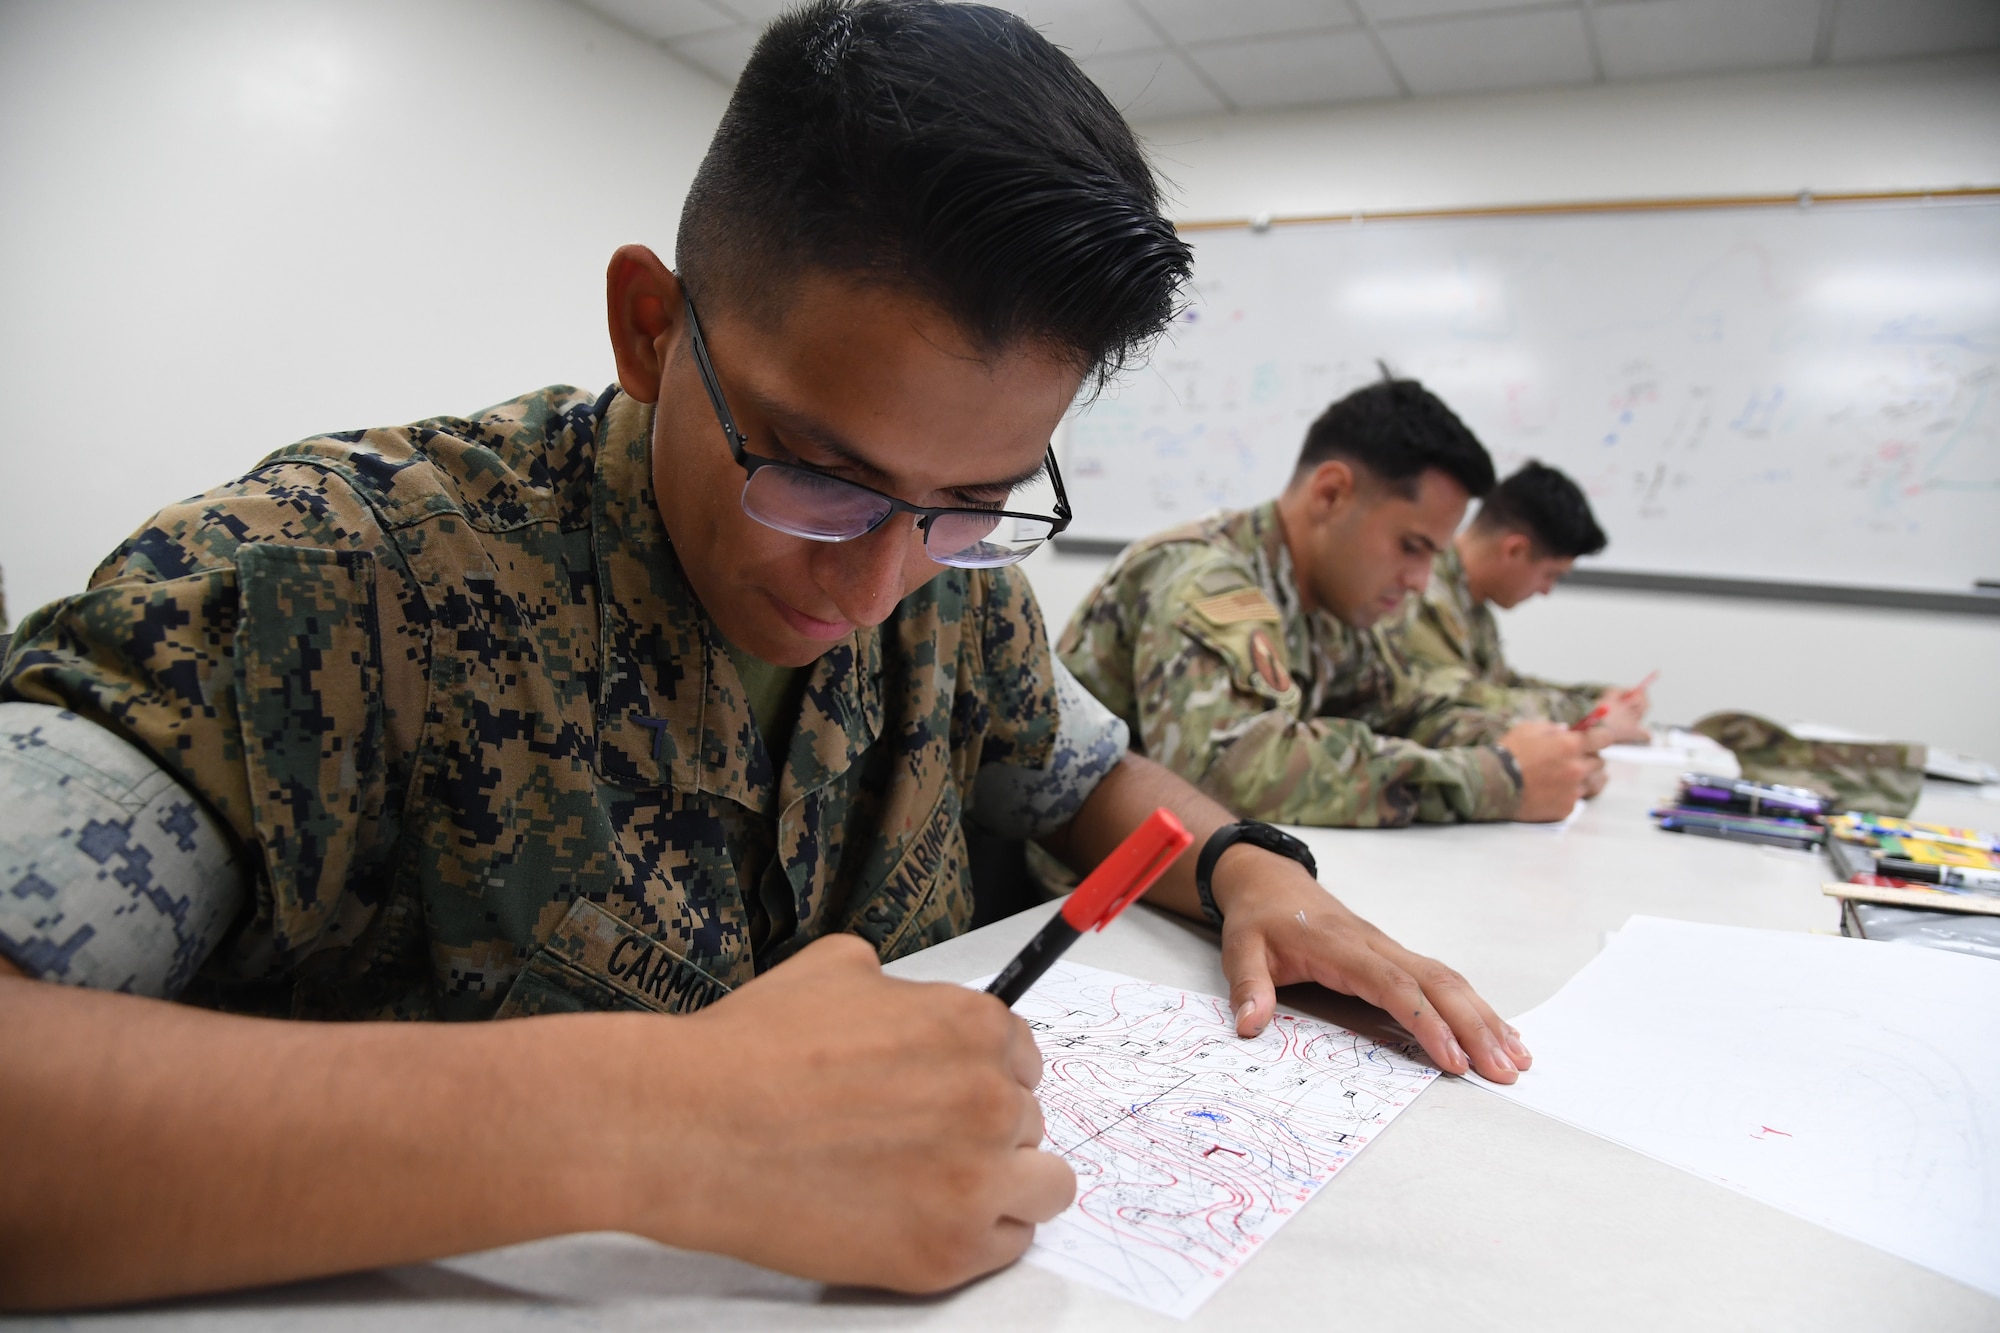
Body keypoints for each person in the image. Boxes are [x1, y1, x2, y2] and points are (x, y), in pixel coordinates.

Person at [0, 1, 1531, 1310]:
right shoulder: (331, 584)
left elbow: (1092, 777)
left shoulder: (949, 581)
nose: (876, 580)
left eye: (974, 501)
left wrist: (1256, 874)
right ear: (654, 331)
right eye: (816, 471)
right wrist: (650, 1122)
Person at [1060, 376, 1608, 828]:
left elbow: (1408, 708)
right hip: (1066, 906)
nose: (1420, 580)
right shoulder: (1205, 578)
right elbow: (1238, 773)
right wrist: (1496, 779)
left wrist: (1547, 754)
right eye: (1411, 547)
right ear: (1330, 495)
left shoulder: (1339, 602)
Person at [1387, 460, 1649, 741]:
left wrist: (1595, 696)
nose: (1546, 591)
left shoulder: (1471, 604)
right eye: (1550, 575)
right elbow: (1458, 700)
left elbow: (1501, 685)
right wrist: (1590, 714)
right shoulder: (1423, 596)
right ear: (1515, 550)